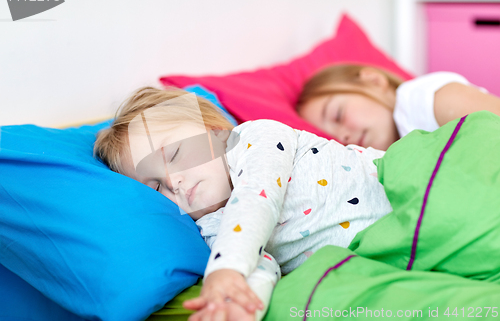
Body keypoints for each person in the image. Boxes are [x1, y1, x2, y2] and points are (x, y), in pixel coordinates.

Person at [94, 86, 393, 321]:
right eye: (156, 186)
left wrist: (224, 272)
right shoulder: (211, 228)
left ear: (215, 132)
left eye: (173, 155)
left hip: (407, 183)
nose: (174, 183)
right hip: (391, 244)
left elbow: (256, 199)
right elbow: (257, 263)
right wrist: (240, 304)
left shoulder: (255, 137)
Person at [296, 64, 500, 150]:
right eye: (331, 138)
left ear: (373, 80)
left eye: (338, 115)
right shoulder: (397, 154)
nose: (342, 137)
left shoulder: (421, 100)